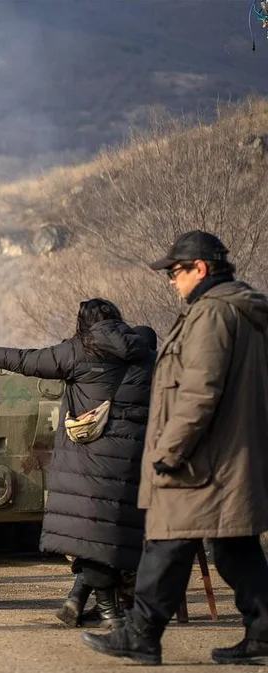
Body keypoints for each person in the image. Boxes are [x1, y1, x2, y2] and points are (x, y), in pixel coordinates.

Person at [82, 231, 268, 666]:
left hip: (203, 459)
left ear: (200, 269)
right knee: (234, 547)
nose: (171, 280)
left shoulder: (213, 315)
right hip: (227, 456)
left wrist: (170, 450)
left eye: (176, 271)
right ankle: (263, 632)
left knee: (167, 540)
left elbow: (199, 392)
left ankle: (142, 635)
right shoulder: (238, 312)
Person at [0, 299, 154, 628]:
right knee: (110, 532)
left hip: (91, 459)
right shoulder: (144, 352)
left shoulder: (80, 350)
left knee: (93, 534)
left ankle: (110, 616)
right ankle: (82, 601)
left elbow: (29, 360)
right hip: (133, 459)